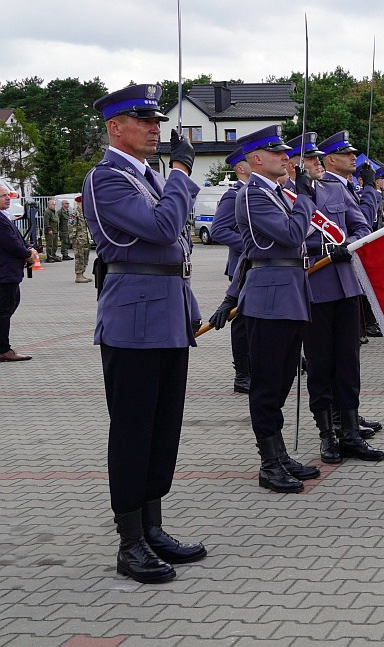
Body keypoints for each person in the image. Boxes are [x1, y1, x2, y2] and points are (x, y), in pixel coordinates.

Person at [83, 83, 206, 584]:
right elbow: (161, 229)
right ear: (116, 127)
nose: (157, 129)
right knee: (134, 430)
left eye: (157, 121)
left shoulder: (149, 178)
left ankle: (152, 527)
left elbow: (174, 239)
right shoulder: (107, 178)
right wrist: (179, 174)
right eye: (144, 121)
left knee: (162, 428)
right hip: (134, 320)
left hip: (168, 315)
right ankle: (129, 541)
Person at [225, 124, 321, 493]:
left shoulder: (277, 194)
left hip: (290, 295)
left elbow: (299, 239)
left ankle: (279, 454)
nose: (287, 158)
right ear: (257, 159)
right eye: (278, 153)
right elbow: (293, 235)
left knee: (282, 380)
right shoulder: (253, 195)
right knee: (267, 385)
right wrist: (305, 199)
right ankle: (268, 462)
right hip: (269, 299)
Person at [306, 131, 384, 464]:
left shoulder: (335, 189)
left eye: (313, 158)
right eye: (307, 159)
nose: (312, 164)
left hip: (345, 286)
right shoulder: (290, 197)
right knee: (321, 365)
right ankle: (327, 435)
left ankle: (350, 432)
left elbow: (362, 226)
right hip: (313, 289)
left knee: (348, 363)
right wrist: (318, 248)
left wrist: (348, 244)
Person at [208, 146, 254, 393]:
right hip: (243, 267)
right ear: (240, 168)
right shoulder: (233, 195)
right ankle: (242, 373)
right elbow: (218, 230)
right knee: (241, 321)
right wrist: (250, 243)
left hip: (258, 266)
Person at [0, 181, 37, 361]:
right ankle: (3, 349)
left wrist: (28, 249)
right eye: (3, 196)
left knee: (8, 307)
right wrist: (27, 254)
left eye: (8, 195)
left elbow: (17, 238)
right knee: (4, 310)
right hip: (4, 274)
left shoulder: (4, 216)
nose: (8, 198)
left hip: (9, 273)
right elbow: (10, 243)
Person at [70, 195, 93, 283]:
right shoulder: (74, 213)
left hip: (85, 239)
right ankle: (78, 276)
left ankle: (82, 274)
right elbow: (71, 227)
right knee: (79, 257)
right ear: (79, 202)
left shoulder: (84, 213)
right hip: (78, 240)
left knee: (85, 257)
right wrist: (73, 239)